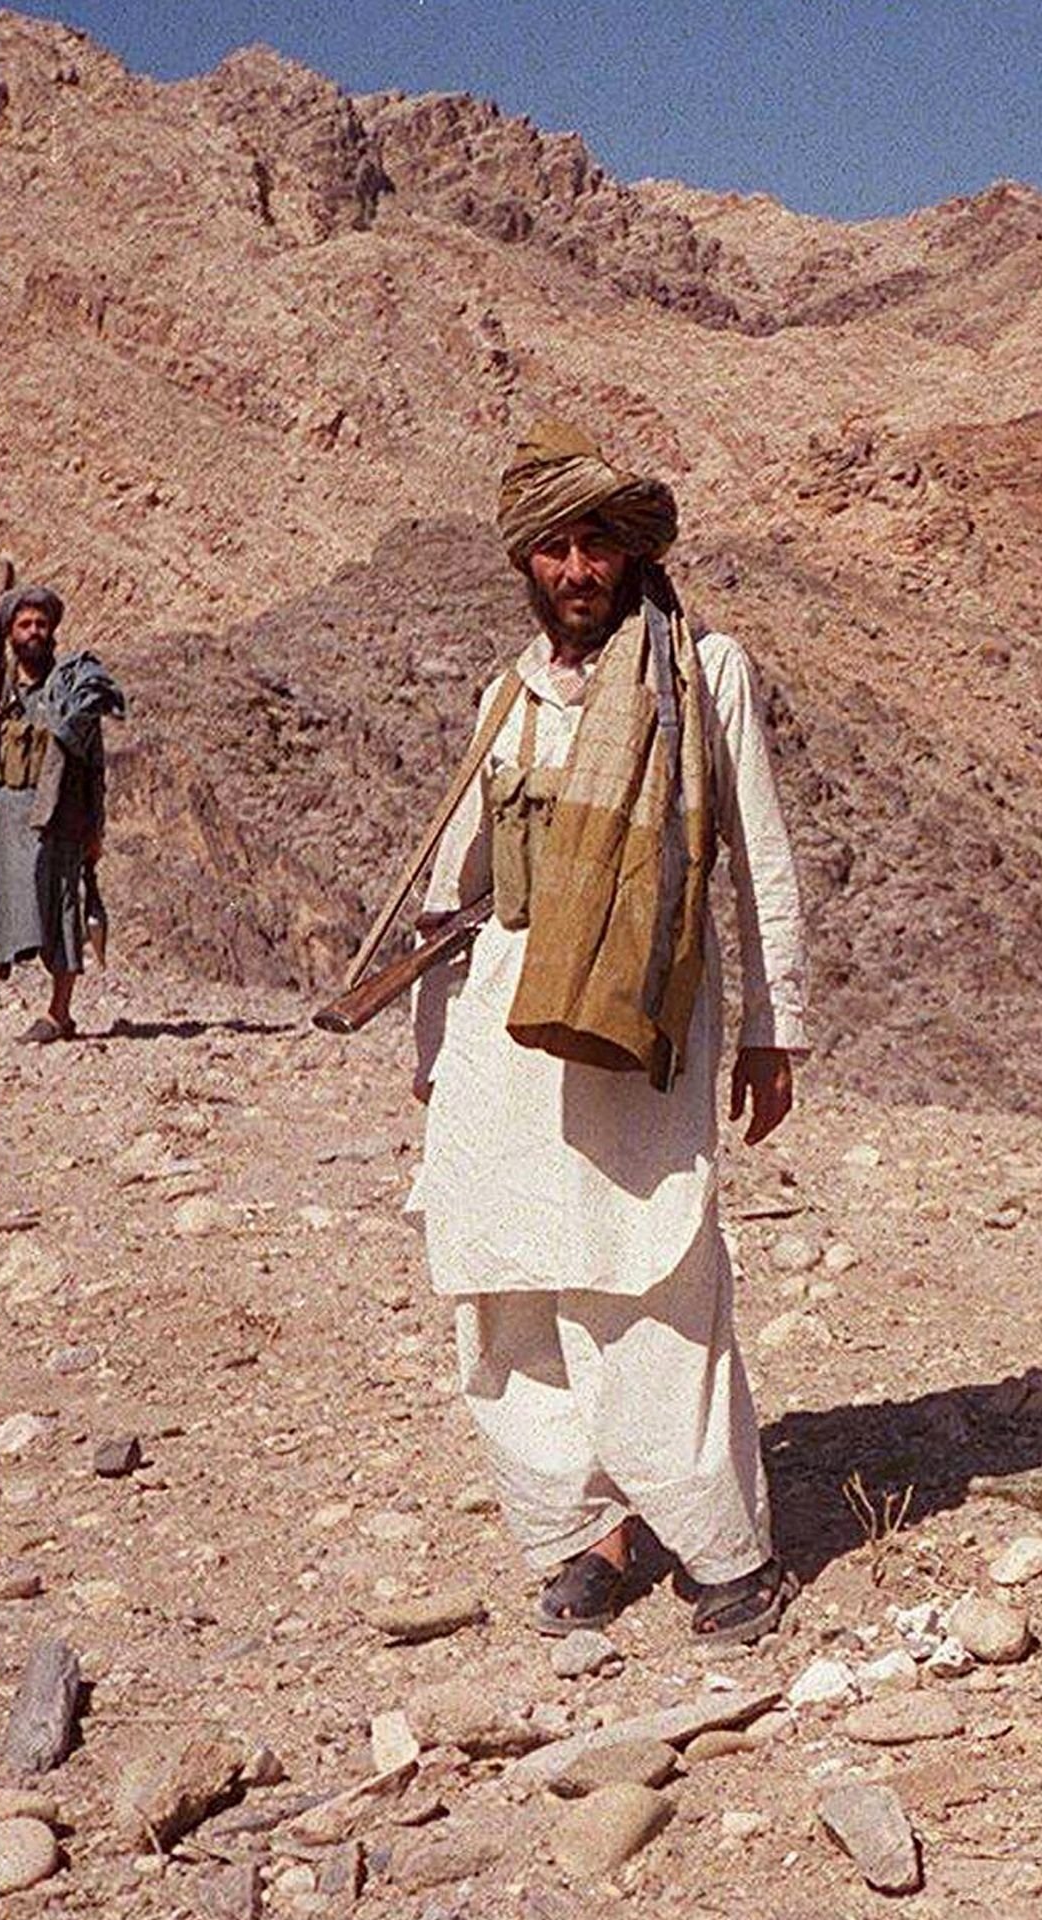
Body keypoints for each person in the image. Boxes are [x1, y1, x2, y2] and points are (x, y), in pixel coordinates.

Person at [403, 419, 810, 1648]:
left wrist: (772, 1025)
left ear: (631, 558)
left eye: (597, 549)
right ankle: (578, 1534)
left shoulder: (706, 674)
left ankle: (723, 1549)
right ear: (527, 562)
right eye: (556, 550)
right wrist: (429, 1049)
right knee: (507, 1281)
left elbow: (760, 856)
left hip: (641, 1009)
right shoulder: (509, 693)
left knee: (652, 1276)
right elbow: (454, 878)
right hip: (501, 1022)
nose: (578, 571)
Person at [0, 583, 123, 1046]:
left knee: (61, 908)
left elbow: (92, 764)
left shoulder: (71, 689)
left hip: (57, 815)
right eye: (24, 624)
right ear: (9, 633)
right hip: (4, 813)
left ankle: (58, 1014)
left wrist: (95, 828)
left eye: (41, 624)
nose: (34, 632)